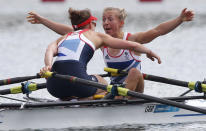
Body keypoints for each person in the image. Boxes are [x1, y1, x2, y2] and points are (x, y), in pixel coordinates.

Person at [27, 7, 194, 94]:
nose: (105, 23)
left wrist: (179, 19)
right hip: (113, 88)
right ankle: (113, 98)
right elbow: (70, 32)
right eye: (104, 19)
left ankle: (121, 99)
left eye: (110, 19)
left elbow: (158, 31)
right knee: (97, 78)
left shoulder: (132, 39)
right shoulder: (102, 41)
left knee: (135, 72)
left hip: (134, 88)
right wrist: (43, 20)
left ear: (120, 23)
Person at [39, 8, 161, 100]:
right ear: (91, 24)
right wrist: (149, 52)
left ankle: (72, 101)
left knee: (131, 73)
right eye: (101, 21)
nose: (104, 24)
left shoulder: (63, 37)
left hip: (53, 85)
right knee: (100, 80)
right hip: (81, 85)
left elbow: (49, 50)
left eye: (109, 19)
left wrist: (48, 66)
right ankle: (105, 100)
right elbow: (132, 45)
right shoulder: (96, 36)